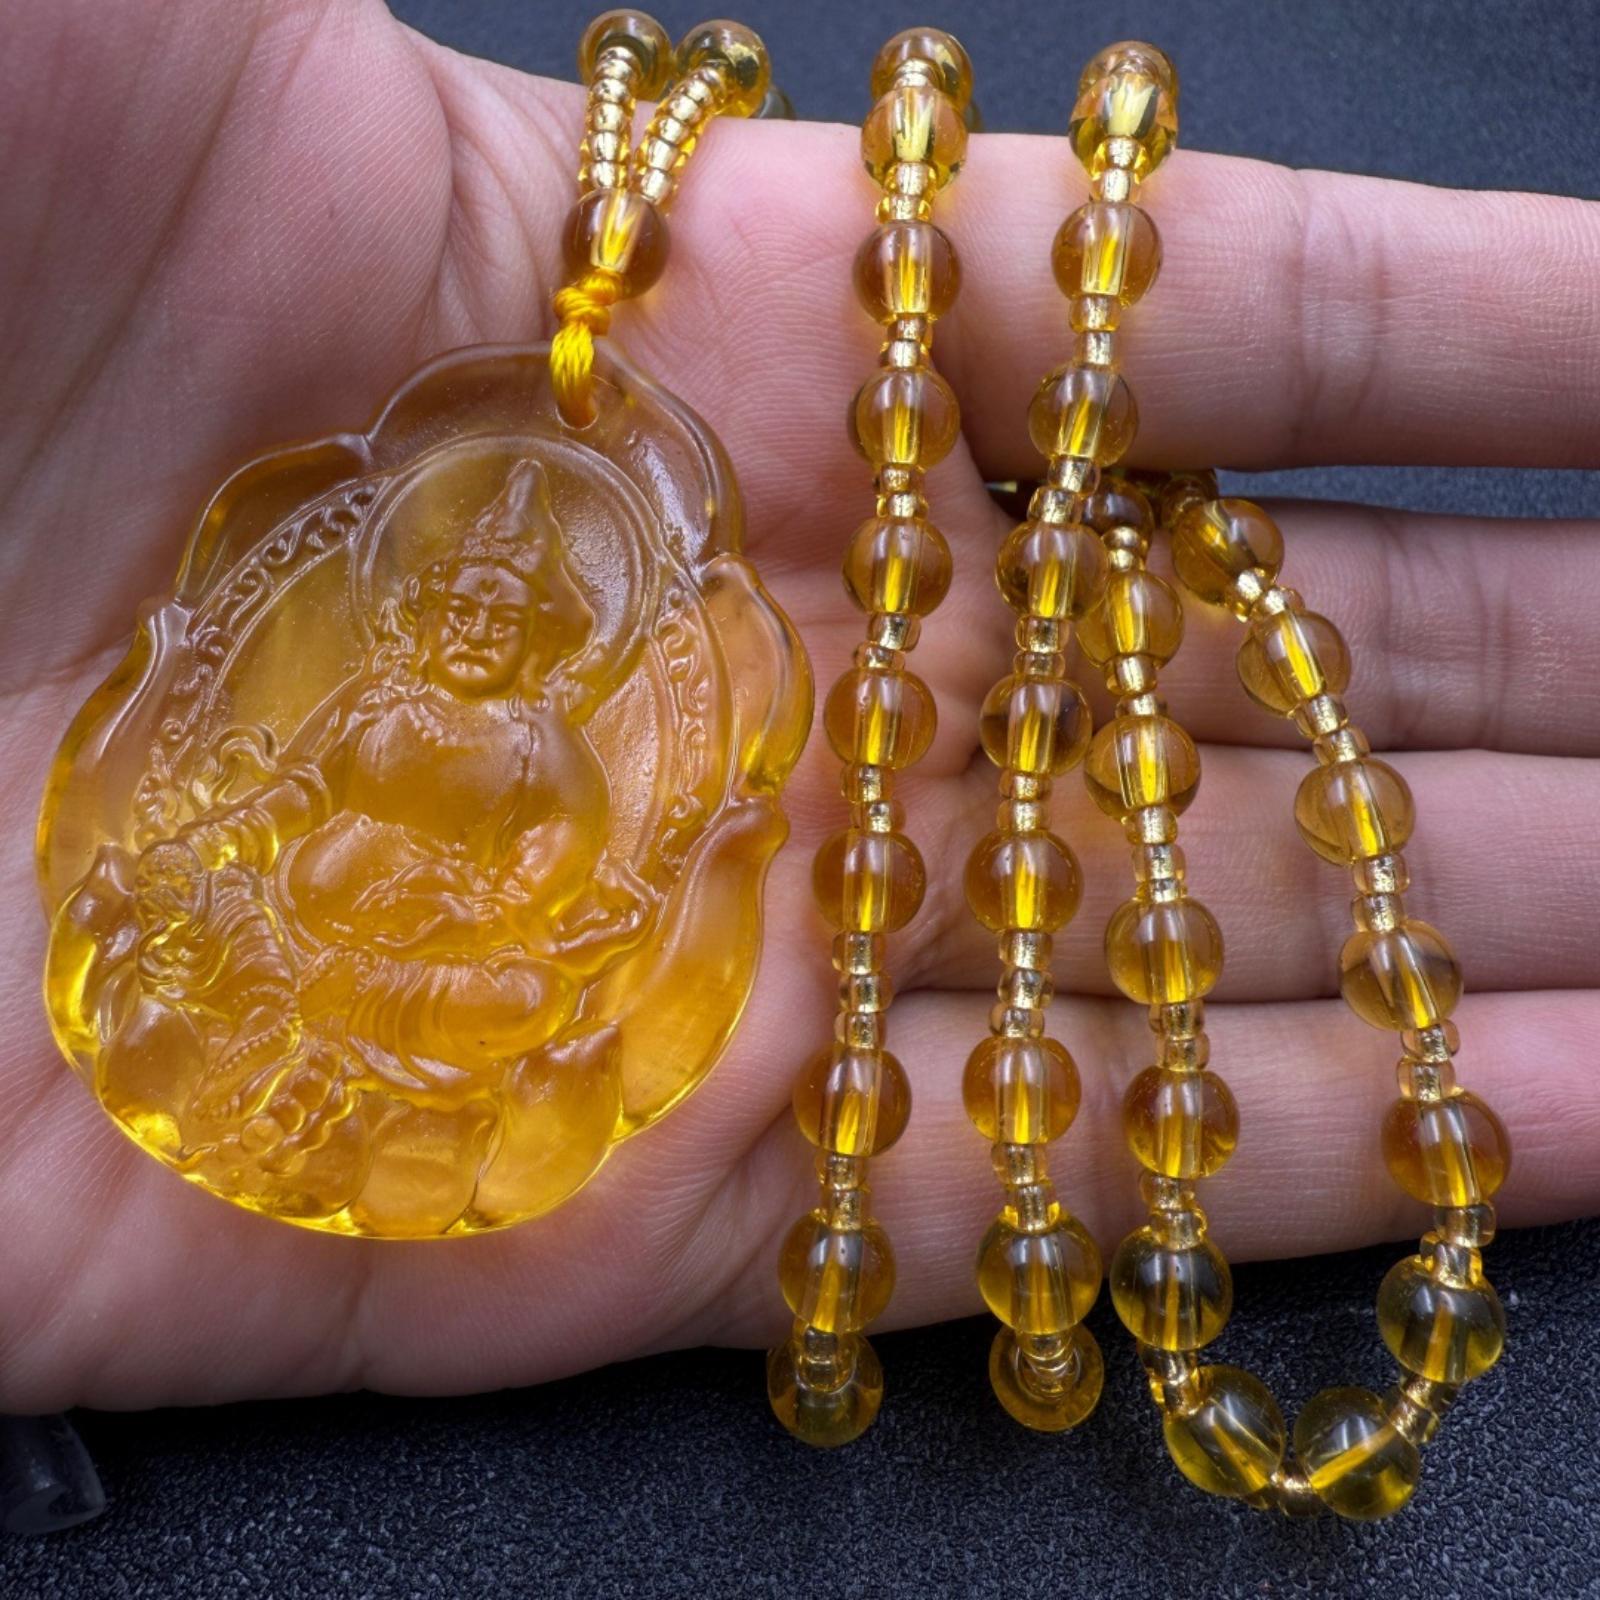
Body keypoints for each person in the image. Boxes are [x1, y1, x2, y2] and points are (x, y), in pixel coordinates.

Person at [2, 0, 1595, 1411]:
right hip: (317, 922)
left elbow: (565, 868)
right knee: (249, 912)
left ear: (557, 645)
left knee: (492, 1007)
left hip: (442, 970)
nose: (471, 632)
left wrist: (503, 912)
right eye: (451, 609)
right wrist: (251, 832)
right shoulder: (376, 706)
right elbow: (289, 792)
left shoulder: (544, 745)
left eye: (505, 619)